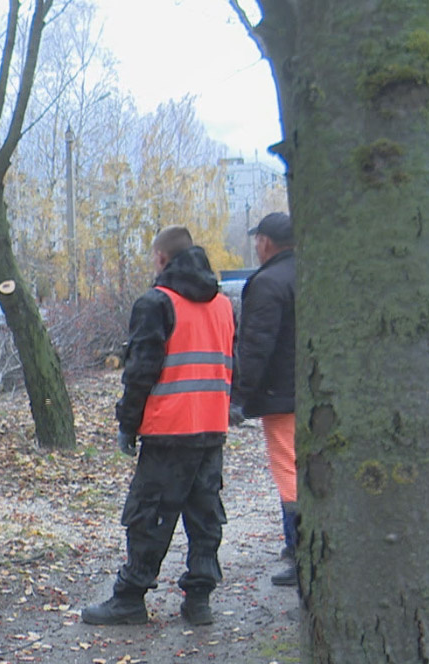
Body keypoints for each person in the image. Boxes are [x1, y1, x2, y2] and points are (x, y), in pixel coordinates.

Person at [82, 226, 236, 627]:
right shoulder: (222, 303)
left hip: (169, 428)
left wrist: (127, 424)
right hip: (212, 424)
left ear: (162, 258)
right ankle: (199, 600)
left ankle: (130, 597)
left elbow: (141, 372)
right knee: (205, 515)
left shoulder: (156, 303)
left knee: (148, 514)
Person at [234, 212, 297, 586]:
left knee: (288, 470)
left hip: (282, 395)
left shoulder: (267, 282)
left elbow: (255, 346)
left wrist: (239, 397)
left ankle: (300, 552)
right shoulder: (315, 272)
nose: (256, 245)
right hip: (315, 391)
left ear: (266, 242)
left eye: (257, 239)